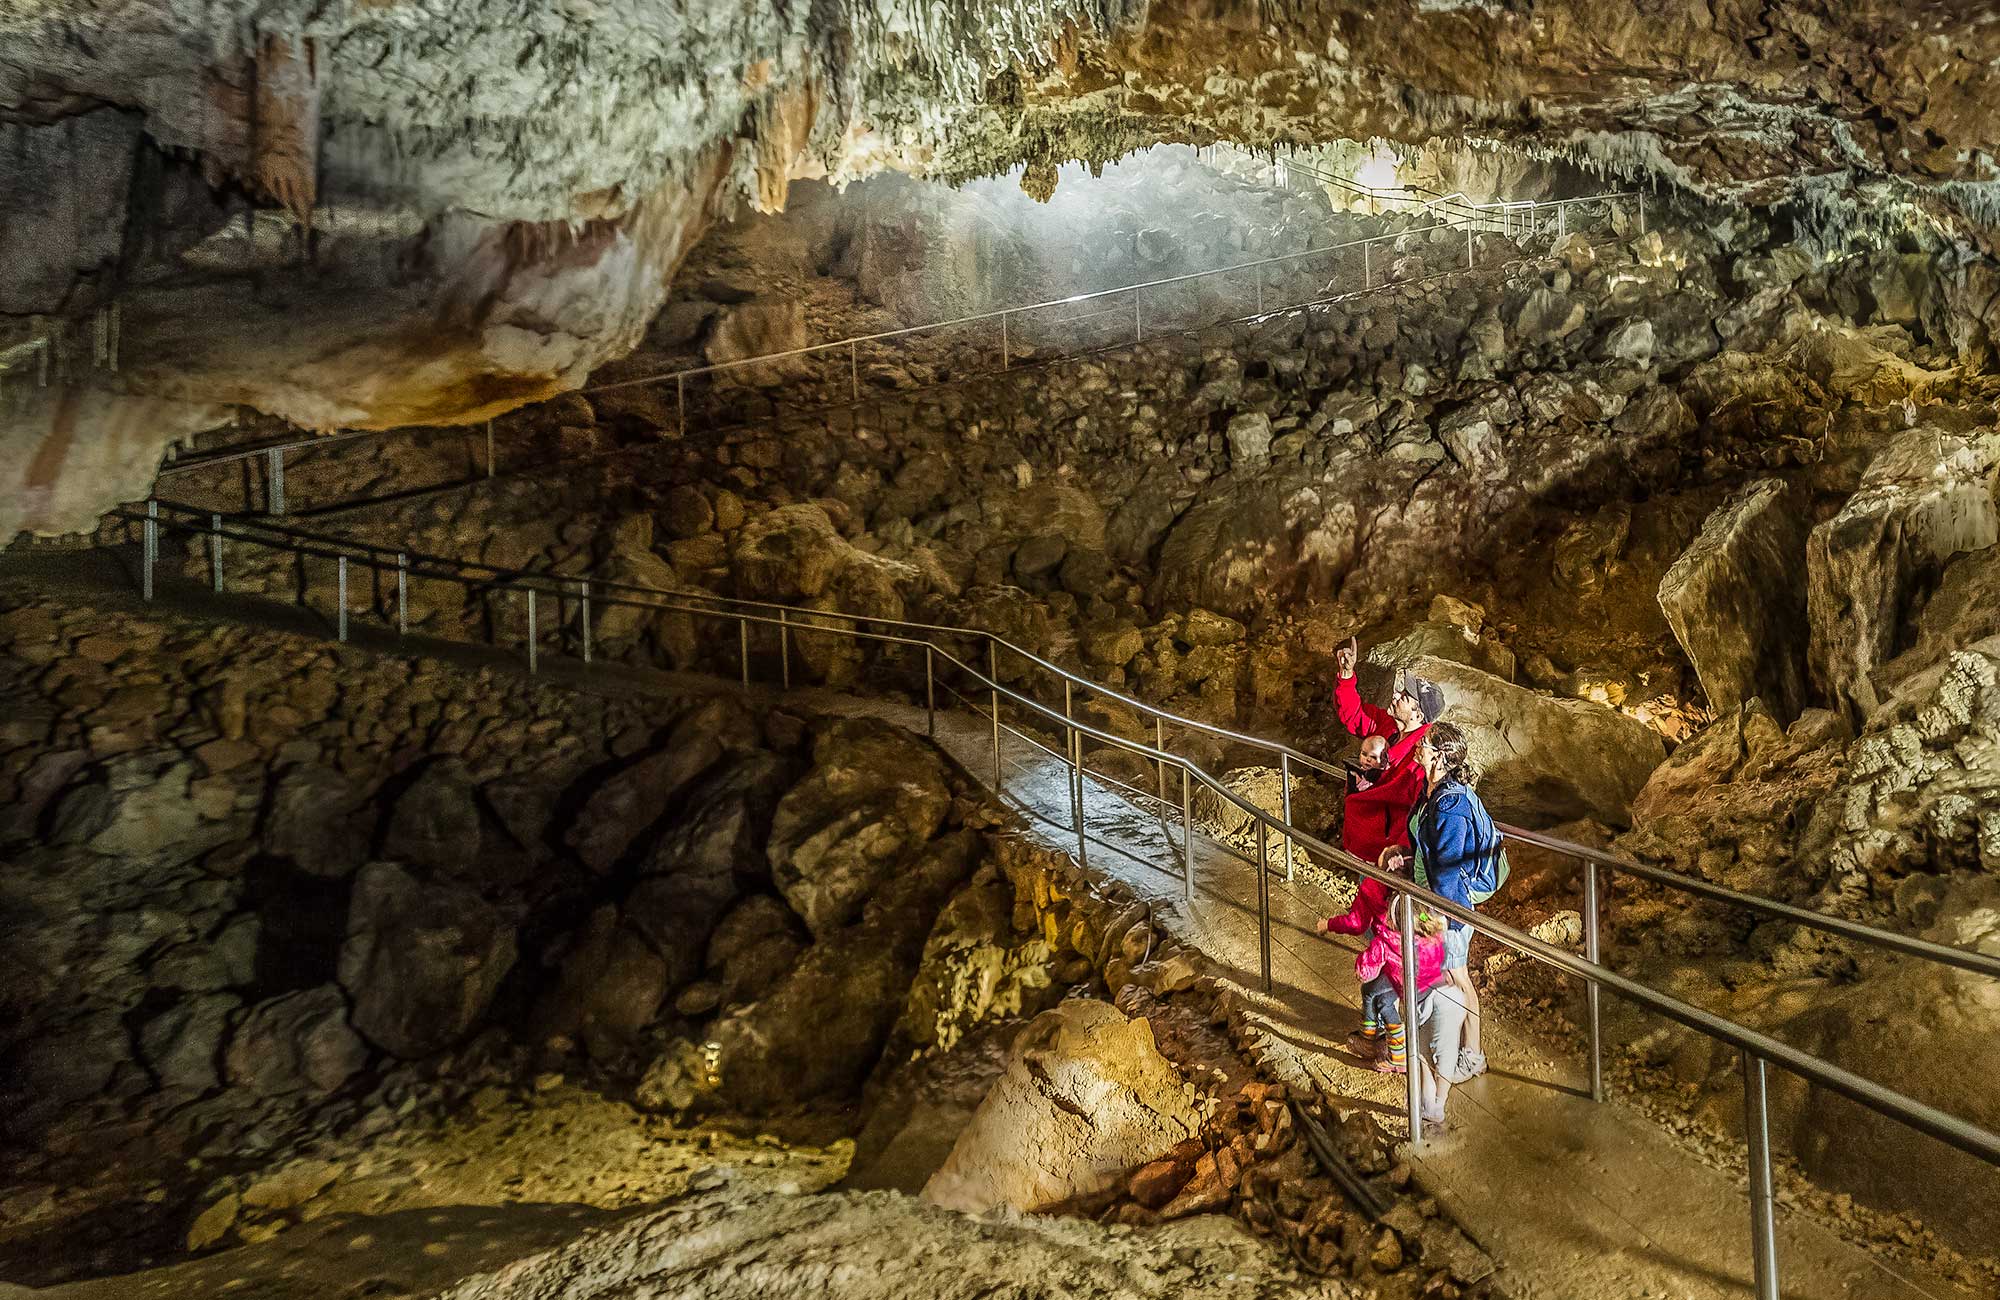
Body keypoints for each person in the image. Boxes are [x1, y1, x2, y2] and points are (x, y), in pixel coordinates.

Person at [1407, 721, 1508, 1078]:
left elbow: (1449, 869)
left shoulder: (1450, 805)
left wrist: (1445, 923)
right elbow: (1429, 851)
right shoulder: (1433, 791)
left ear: (1439, 756)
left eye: (1426, 743)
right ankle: (1440, 1040)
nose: (1419, 744)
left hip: (1447, 907)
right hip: (1430, 900)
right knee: (1436, 970)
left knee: (1457, 978)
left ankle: (1472, 1055)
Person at [1334, 638, 1445, 868]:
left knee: (1374, 897)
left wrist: (1400, 854)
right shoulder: (1389, 727)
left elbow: (1418, 812)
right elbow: (1354, 715)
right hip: (1360, 834)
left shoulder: (1421, 757)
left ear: (1418, 715)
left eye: (1404, 697)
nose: (1394, 696)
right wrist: (1346, 675)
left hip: (1382, 851)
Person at [1349, 894, 1449, 1074]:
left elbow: (1366, 970)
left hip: (1404, 983)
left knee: (1382, 1002)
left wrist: (1360, 970)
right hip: (1426, 984)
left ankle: (1395, 1055)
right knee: (1381, 998)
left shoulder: (1387, 939)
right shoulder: (1431, 931)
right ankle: (1376, 1039)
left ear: (1394, 920)